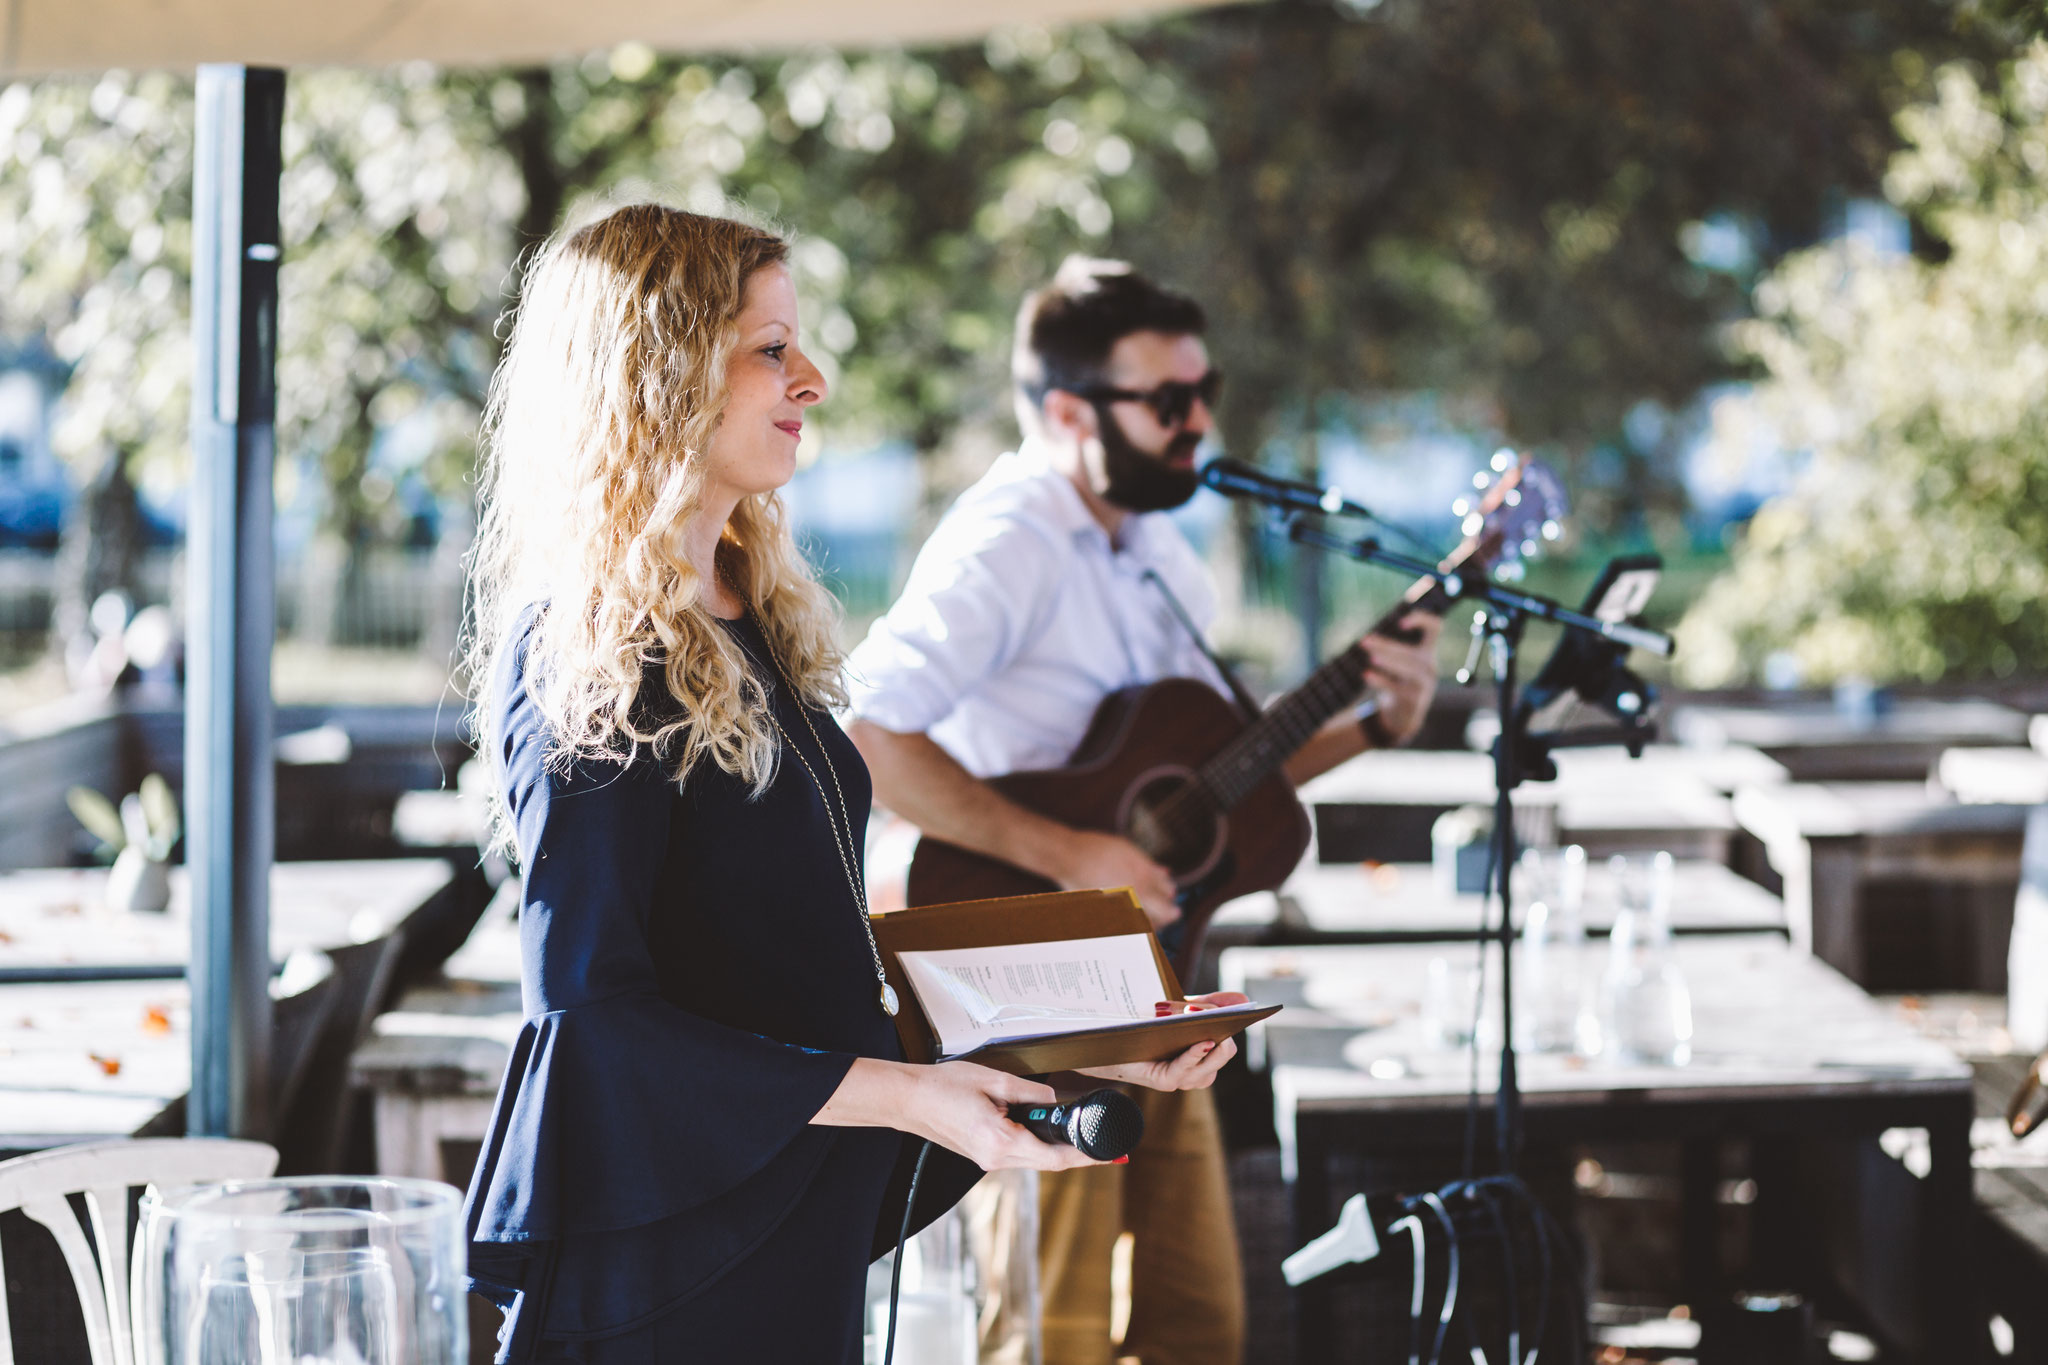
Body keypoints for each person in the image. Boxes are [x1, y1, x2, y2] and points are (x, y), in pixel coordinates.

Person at [459, 208, 1238, 1365]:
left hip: (784, 1236)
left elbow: (790, 965)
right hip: (668, 1282)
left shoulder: (746, 619)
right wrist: (911, 1098)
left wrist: (1081, 1038)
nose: (810, 380)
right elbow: (592, 1027)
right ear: (654, 369)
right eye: (769, 347)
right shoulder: (589, 654)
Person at [845, 256, 1444, 1365]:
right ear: (1068, 410)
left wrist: (1370, 726)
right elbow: (867, 729)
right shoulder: (1007, 540)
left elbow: (1208, 801)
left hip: (1151, 989)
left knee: (1199, 1322)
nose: (1198, 422)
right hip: (1018, 1002)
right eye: (1167, 401)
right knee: (1050, 1333)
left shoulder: (1160, 551)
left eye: (1202, 392)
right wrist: (1062, 849)